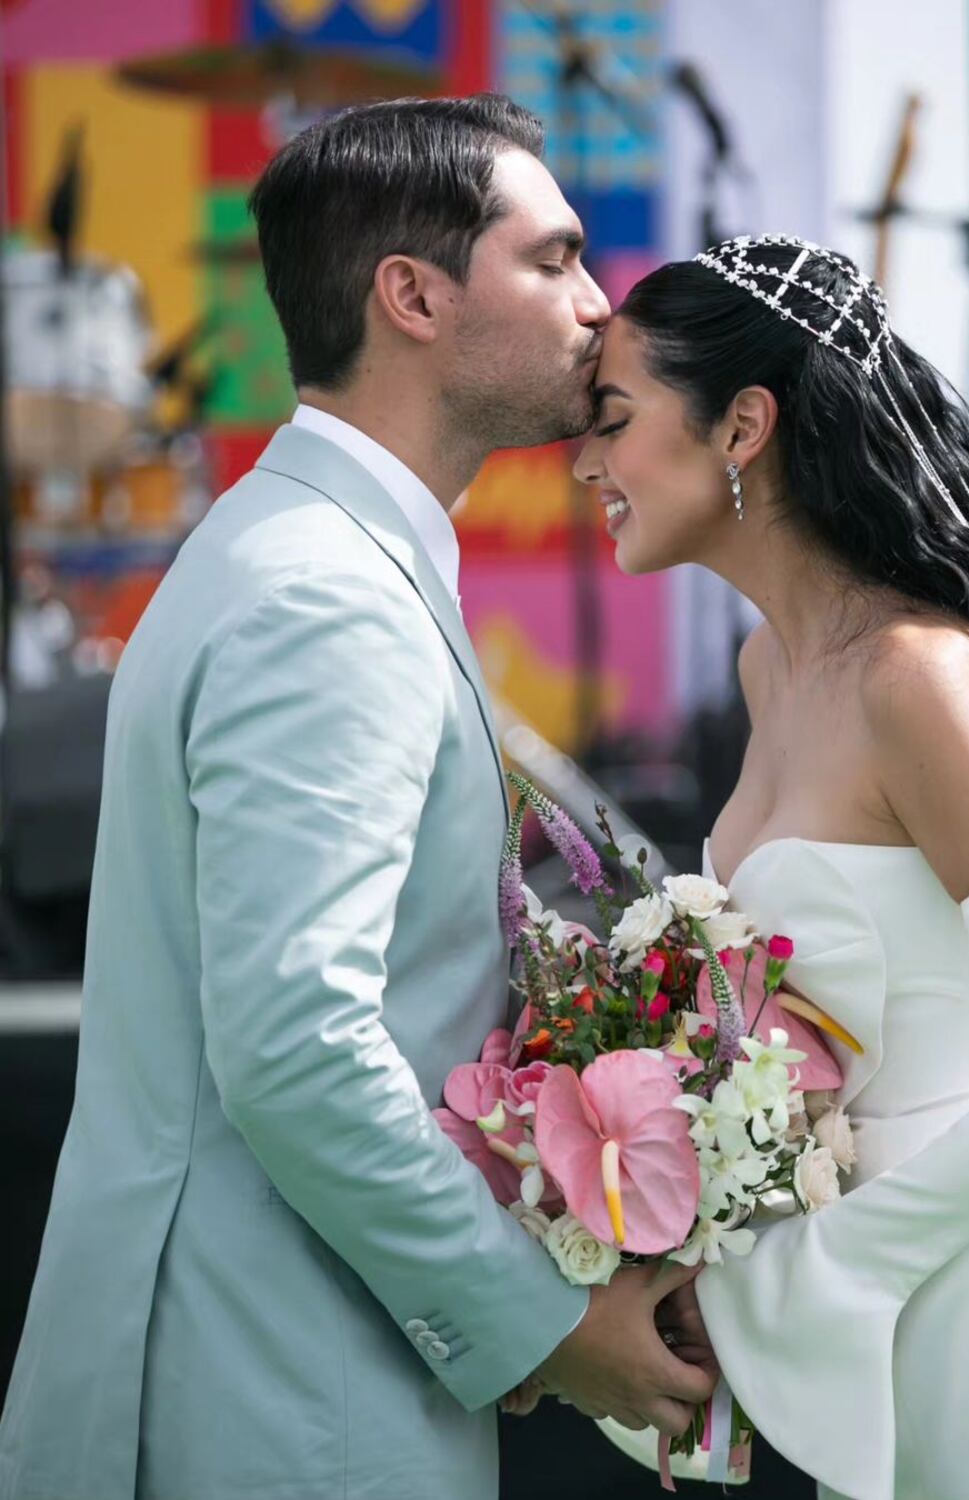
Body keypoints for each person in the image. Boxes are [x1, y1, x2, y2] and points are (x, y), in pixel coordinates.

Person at [0, 96, 714, 1500]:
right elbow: (297, 1048)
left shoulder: (304, 548)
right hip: (279, 1403)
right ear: (412, 295)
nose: (595, 307)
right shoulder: (325, 594)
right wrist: (548, 1327)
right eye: (555, 257)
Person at [572, 235, 969, 1500]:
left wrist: (815, 1274)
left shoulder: (921, 677)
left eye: (614, 419)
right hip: (895, 1290)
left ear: (742, 424)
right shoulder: (766, 672)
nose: (586, 461)